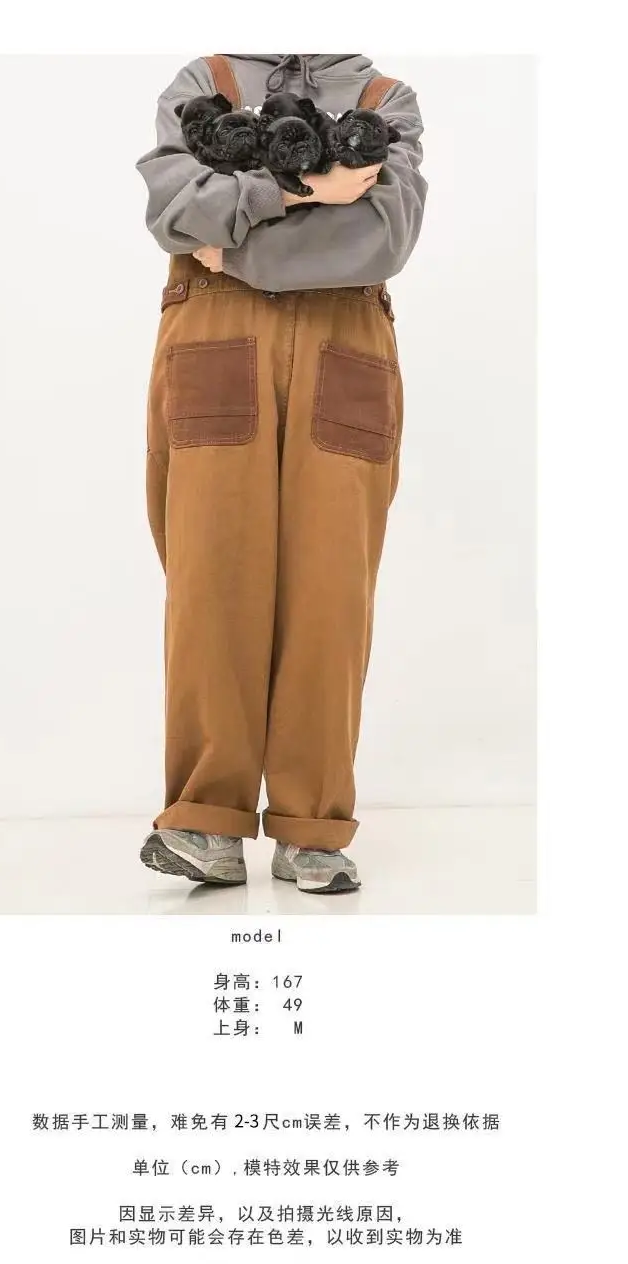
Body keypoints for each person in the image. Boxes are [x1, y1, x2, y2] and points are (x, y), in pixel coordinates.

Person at [136, 54, 426, 894]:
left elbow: (383, 239)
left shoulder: (385, 99)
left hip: (343, 343)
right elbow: (173, 211)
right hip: (216, 341)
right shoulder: (203, 84)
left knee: (331, 590)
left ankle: (313, 828)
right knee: (211, 578)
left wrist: (237, 243)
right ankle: (205, 819)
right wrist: (309, 191)